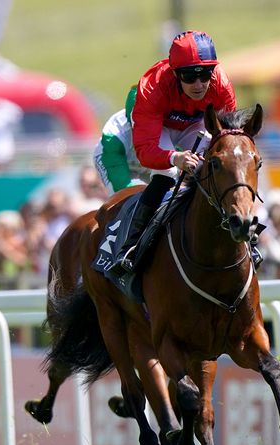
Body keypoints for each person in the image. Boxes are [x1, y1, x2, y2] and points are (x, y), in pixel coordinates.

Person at [108, 30, 236, 275]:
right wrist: (175, 157)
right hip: (160, 126)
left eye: (205, 74)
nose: (198, 85)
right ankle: (130, 245)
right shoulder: (151, 87)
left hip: (193, 124)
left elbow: (228, 137)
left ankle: (242, 233)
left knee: (220, 164)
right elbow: (146, 151)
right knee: (166, 175)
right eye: (189, 77)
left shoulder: (221, 86)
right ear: (175, 73)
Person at [93, 85, 147, 193]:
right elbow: (122, 188)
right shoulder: (113, 137)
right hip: (114, 159)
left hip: (147, 163)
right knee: (124, 198)